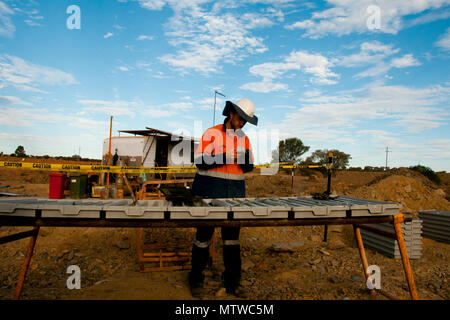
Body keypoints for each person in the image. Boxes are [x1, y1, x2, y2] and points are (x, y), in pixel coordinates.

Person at [189, 98, 258, 298]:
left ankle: (233, 282)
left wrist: (244, 160)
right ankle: (196, 280)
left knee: (232, 241)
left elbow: (249, 166)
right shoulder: (211, 133)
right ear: (231, 114)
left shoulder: (244, 138)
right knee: (203, 239)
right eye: (241, 118)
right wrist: (227, 157)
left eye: (246, 121)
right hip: (208, 192)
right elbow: (200, 162)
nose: (243, 123)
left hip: (235, 195)